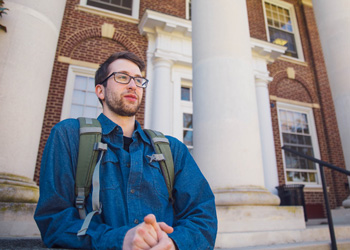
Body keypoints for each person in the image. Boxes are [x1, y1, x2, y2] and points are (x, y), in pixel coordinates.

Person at [34, 51, 217, 250]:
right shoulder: (69, 136)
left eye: (139, 80)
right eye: (122, 77)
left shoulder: (173, 150)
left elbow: (203, 215)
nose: (132, 85)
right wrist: (120, 239)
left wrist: (174, 242)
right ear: (100, 91)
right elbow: (53, 221)